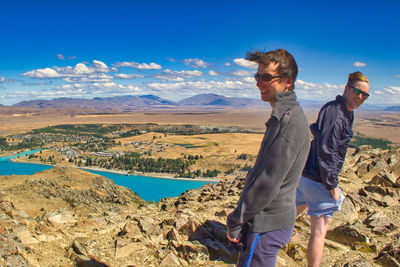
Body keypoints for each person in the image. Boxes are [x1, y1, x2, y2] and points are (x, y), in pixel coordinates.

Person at [226, 49, 310, 267]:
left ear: (288, 82)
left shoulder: (287, 123)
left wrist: (236, 220)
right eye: (257, 76)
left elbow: (267, 183)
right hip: (268, 222)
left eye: (266, 78)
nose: (258, 83)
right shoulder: (285, 116)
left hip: (267, 224)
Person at [296, 71, 370, 267]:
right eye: (357, 91)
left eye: (365, 95)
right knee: (319, 232)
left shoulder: (341, 110)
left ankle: (260, 237)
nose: (360, 97)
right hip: (318, 179)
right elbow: (327, 150)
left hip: (308, 176)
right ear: (346, 89)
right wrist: (331, 186)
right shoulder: (337, 113)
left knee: (290, 211)